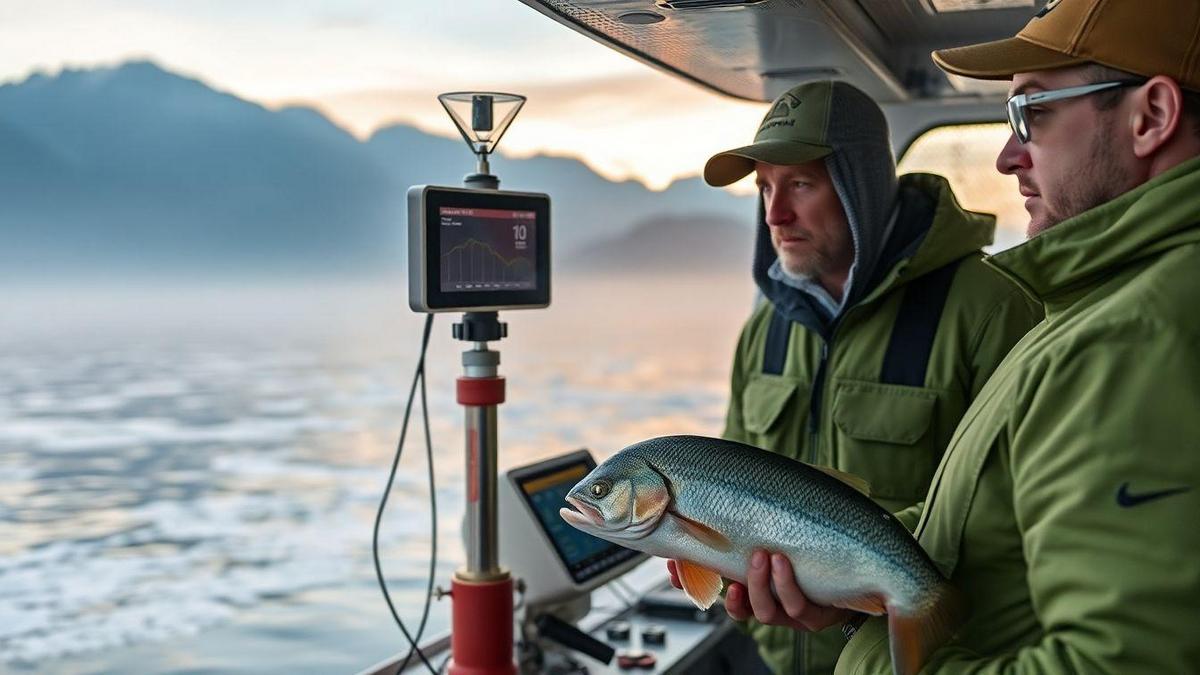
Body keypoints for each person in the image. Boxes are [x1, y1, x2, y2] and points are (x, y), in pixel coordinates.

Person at [728, 3, 1200, 674]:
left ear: (1150, 117)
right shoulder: (1093, 308)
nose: (1008, 156)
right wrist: (848, 582)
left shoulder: (1129, 332)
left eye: (1030, 113)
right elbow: (986, 522)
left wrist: (866, 666)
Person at [670, 80, 1042, 675]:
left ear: (860, 186)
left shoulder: (990, 308)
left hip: (920, 661)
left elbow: (1018, 526)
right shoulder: (764, 329)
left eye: (799, 183)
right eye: (764, 187)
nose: (775, 213)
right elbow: (728, 486)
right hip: (775, 660)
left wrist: (854, 609)